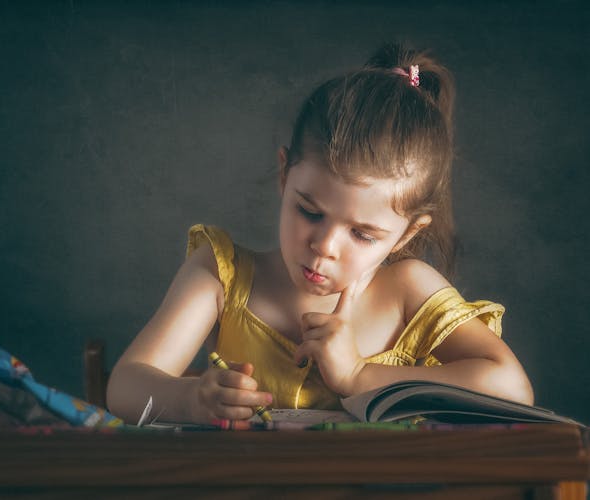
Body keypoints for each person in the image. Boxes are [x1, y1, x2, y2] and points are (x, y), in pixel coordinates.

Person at [106, 42, 534, 424]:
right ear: (283, 174)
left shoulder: (408, 291)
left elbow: (513, 388)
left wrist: (358, 374)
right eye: (309, 211)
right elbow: (123, 385)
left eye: (363, 235)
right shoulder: (221, 275)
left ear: (405, 235)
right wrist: (187, 399)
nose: (324, 246)